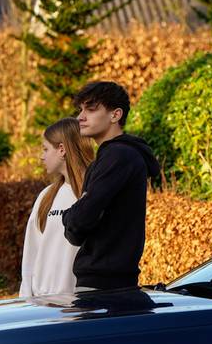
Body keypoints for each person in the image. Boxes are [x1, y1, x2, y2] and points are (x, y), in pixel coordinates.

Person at [61, 81, 161, 292]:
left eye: (91, 109)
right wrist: (76, 217)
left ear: (115, 115)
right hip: (106, 281)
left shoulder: (118, 156)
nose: (80, 117)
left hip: (104, 286)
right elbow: (76, 234)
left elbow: (80, 220)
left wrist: (69, 216)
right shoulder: (105, 159)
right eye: (80, 110)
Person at [19, 118, 95, 297]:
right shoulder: (47, 196)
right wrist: (26, 300)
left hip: (82, 305)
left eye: (46, 149)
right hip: (43, 305)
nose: (41, 156)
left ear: (62, 150)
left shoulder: (95, 193)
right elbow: (32, 250)